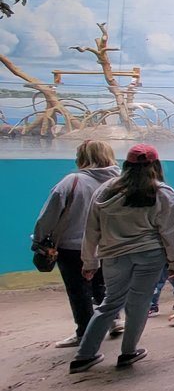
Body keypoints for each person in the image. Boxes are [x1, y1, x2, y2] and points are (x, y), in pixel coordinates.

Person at [69, 144, 174, 373]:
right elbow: (173, 232)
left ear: (126, 165)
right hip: (150, 255)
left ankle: (83, 356)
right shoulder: (162, 192)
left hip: (113, 255)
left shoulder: (104, 192)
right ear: (156, 165)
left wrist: (89, 261)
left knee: (110, 303)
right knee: (139, 303)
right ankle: (128, 352)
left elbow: (91, 230)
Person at [31, 140, 119, 348]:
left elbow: (49, 215)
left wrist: (38, 240)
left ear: (82, 157)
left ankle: (85, 335)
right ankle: (113, 320)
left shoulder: (72, 181)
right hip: (108, 245)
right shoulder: (120, 181)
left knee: (79, 291)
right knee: (103, 285)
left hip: (73, 246)